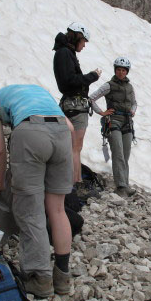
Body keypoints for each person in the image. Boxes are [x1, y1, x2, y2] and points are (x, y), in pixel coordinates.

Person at [0, 84, 74, 298]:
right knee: (58, 210)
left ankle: (39, 278)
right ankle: (62, 278)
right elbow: (70, 128)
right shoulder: (40, 93)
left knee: (31, 211)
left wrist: (0, 183)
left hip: (30, 134)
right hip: (62, 134)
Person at [53, 22, 101, 186]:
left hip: (68, 105)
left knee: (70, 145)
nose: (84, 45)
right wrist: (92, 76)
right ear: (77, 37)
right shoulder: (65, 53)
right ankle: (76, 182)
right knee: (76, 147)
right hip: (76, 106)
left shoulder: (63, 52)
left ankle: (68, 179)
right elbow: (70, 81)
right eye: (84, 42)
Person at [89, 57, 137, 197]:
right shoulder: (108, 85)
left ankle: (125, 185)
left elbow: (134, 102)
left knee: (125, 154)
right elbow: (91, 98)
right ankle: (121, 187)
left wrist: (133, 110)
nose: (121, 72)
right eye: (119, 70)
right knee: (118, 152)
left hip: (127, 121)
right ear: (115, 70)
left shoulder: (129, 87)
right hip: (113, 121)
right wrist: (102, 112)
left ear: (126, 71)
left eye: (123, 70)